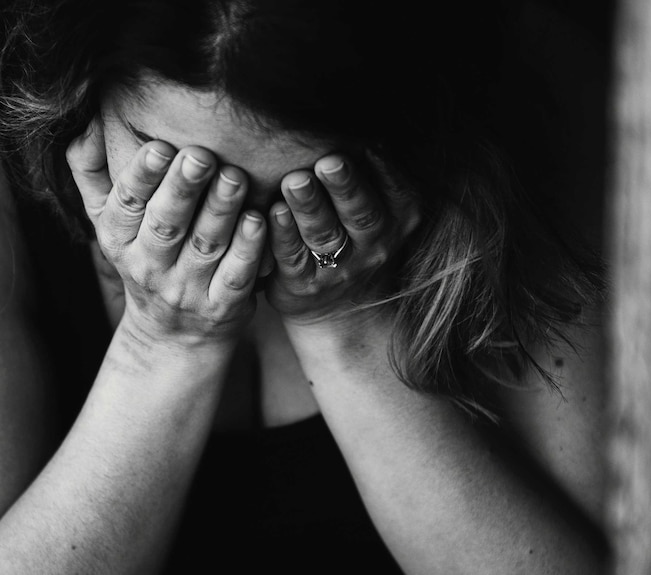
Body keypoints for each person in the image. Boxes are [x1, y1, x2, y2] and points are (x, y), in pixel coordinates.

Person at [0, 0, 609, 572]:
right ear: (81, 90)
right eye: (175, 170)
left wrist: (348, 327)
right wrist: (161, 344)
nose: (234, 236)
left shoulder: (534, 104)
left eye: (299, 191)